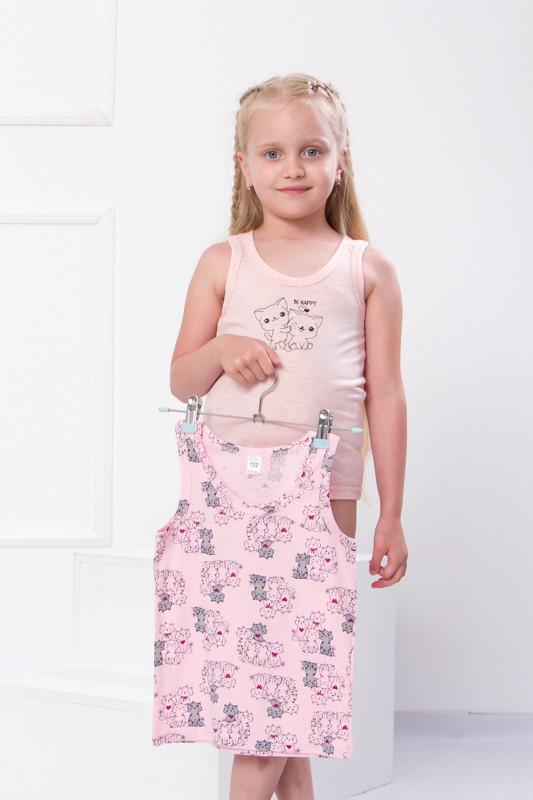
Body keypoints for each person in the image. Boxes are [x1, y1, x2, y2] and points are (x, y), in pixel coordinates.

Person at [168, 72, 408, 800]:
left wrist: (390, 513)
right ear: (244, 166)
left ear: (341, 160)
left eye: (311, 150)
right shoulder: (224, 261)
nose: (293, 168)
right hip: (227, 492)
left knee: (287, 679)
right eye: (272, 153)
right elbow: (182, 380)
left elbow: (387, 396)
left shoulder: (365, 269)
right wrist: (220, 350)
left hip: (322, 490)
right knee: (269, 692)